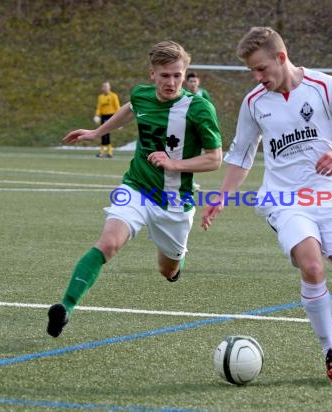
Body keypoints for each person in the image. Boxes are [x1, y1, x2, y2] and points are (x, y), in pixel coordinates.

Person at [201, 27, 332, 381]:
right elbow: (241, 155)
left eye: (261, 69)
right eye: (252, 71)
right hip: (284, 200)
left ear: (282, 57)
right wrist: (221, 195)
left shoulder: (326, 87)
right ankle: (330, 350)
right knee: (312, 267)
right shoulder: (254, 103)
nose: (257, 77)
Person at [47, 41, 223, 338]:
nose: (172, 82)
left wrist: (174, 165)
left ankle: (175, 268)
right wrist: (97, 132)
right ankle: (65, 308)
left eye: (177, 76)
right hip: (137, 187)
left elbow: (215, 158)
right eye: (165, 75)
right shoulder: (141, 95)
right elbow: (131, 109)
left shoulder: (199, 108)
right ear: (152, 74)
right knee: (108, 243)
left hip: (175, 202)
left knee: (167, 270)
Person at [94, 81, 121, 158]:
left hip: (111, 116)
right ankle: (102, 151)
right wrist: (97, 115)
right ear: (102, 88)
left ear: (109, 87)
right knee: (102, 133)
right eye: (104, 86)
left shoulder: (113, 96)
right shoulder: (100, 97)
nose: (105, 88)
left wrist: (119, 119)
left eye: (107, 86)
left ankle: (109, 152)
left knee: (107, 133)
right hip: (103, 116)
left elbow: (117, 107)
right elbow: (99, 107)